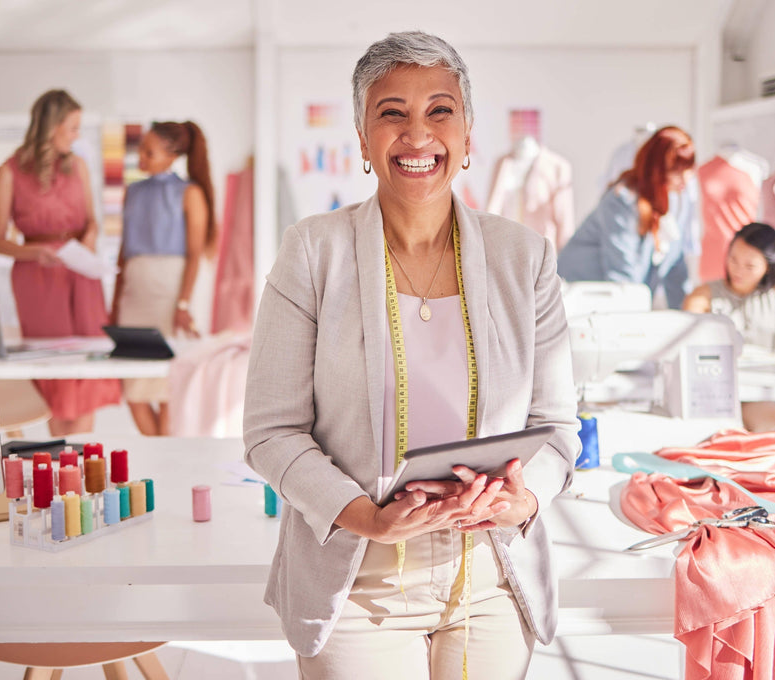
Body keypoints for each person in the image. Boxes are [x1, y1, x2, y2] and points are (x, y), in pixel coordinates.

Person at [242, 31, 580, 680]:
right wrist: (363, 516)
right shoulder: (314, 252)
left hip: (491, 577)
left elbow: (559, 428)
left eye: (440, 111)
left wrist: (523, 500)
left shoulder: (524, 256)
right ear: (365, 139)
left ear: (469, 135)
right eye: (391, 112)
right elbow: (271, 430)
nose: (417, 134)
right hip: (358, 579)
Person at [0, 89, 120, 436]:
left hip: (81, 273)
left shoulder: (78, 165)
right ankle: (64, 455)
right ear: (50, 126)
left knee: (88, 362)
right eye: (73, 127)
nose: (77, 136)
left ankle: (83, 454)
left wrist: (87, 243)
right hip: (39, 277)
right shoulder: (8, 173)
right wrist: (39, 253)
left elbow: (91, 221)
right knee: (58, 366)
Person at [110, 121, 216, 436]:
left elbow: (194, 255)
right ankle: (160, 451)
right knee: (134, 387)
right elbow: (123, 252)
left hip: (170, 293)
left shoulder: (190, 193)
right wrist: (115, 303)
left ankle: (162, 456)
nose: (140, 157)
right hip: (135, 290)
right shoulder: (133, 192)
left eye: (149, 151)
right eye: (140, 149)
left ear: (173, 155)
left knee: (168, 386)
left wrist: (183, 304)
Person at [683, 222, 775, 433]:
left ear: (768, 267)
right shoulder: (703, 294)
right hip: (713, 394)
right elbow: (686, 337)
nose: (738, 270)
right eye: (733, 259)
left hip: (757, 393)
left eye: (750, 266)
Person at [557, 126, 696, 308]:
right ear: (657, 169)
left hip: (620, 302)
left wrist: (687, 314)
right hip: (581, 301)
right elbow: (622, 278)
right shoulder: (621, 201)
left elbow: (675, 266)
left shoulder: (676, 201)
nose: (685, 178)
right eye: (677, 171)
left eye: (689, 168)